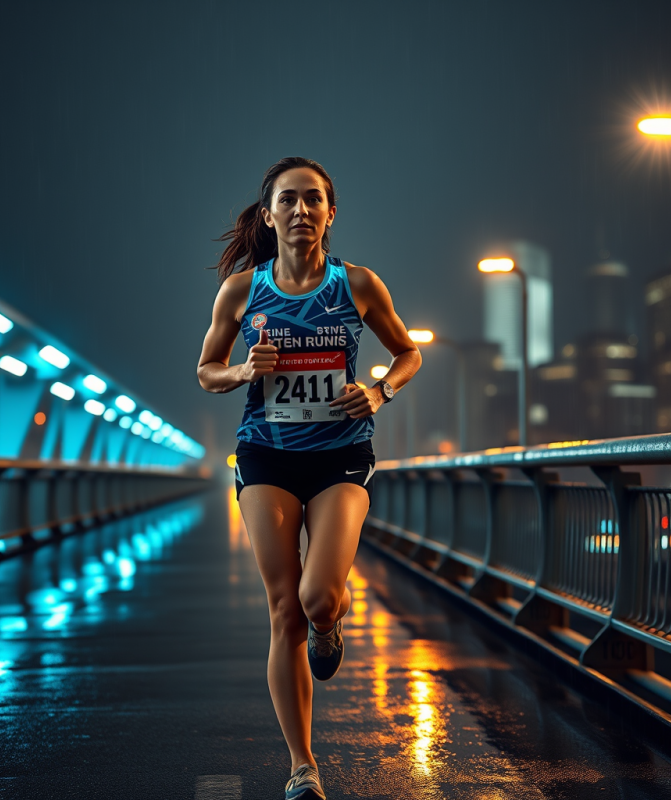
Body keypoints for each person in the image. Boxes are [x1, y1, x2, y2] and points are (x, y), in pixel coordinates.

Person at [197, 157, 421, 799]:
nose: (301, 210)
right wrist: (242, 372)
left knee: (318, 595)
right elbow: (206, 370)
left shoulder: (357, 285)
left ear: (329, 213)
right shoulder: (243, 290)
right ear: (269, 216)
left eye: (313, 200)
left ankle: (329, 622)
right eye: (288, 201)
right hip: (265, 453)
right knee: (282, 606)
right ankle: (303, 766)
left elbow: (409, 352)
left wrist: (378, 393)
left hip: (339, 455)